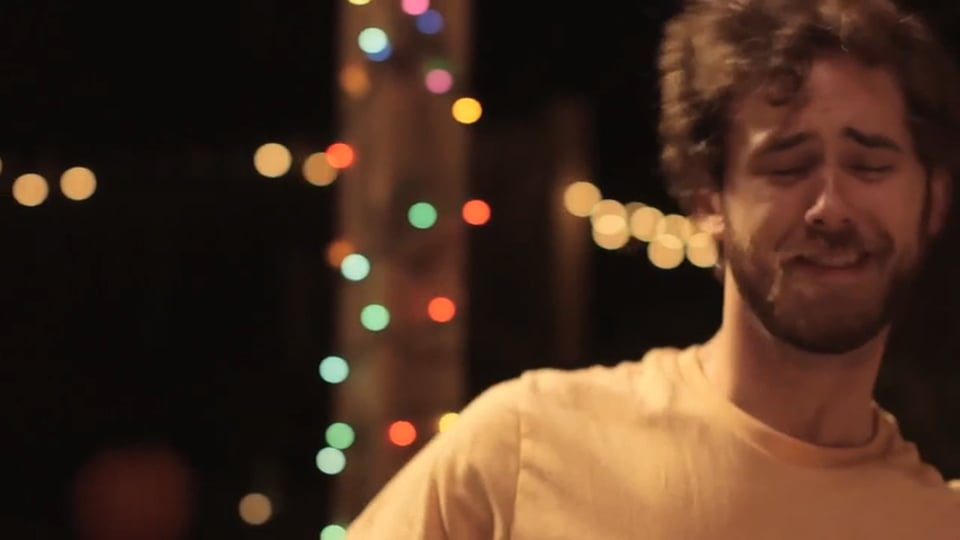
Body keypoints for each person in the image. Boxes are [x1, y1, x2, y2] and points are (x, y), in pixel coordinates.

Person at [347, 0, 960, 537]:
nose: (831, 207)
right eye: (787, 167)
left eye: (870, 166)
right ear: (708, 201)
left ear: (933, 200)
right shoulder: (524, 448)